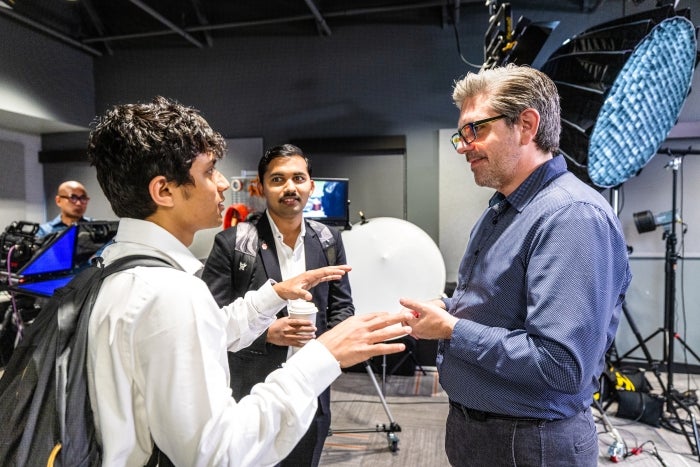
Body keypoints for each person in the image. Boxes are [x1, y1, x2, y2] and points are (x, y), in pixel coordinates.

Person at [84, 96, 411, 466]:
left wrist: (270, 297)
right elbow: (218, 453)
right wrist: (322, 356)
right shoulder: (174, 291)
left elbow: (207, 331)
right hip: (254, 389)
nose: (223, 183)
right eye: (209, 171)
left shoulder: (112, 267)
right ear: (163, 191)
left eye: (299, 178)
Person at [400, 64, 632, 466]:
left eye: (476, 130)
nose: (462, 145)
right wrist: (448, 309)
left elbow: (560, 365)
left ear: (526, 125)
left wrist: (452, 329)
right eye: (462, 133)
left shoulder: (570, 217)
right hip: (482, 431)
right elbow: (498, 307)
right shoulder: (504, 208)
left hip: (530, 442)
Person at [202, 144, 353, 467]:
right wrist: (267, 332)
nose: (290, 188)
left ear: (311, 185)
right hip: (251, 391)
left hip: (312, 387)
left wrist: (330, 347)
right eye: (278, 179)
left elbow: (342, 307)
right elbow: (210, 323)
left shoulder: (328, 239)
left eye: (298, 178)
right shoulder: (233, 244)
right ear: (261, 187)